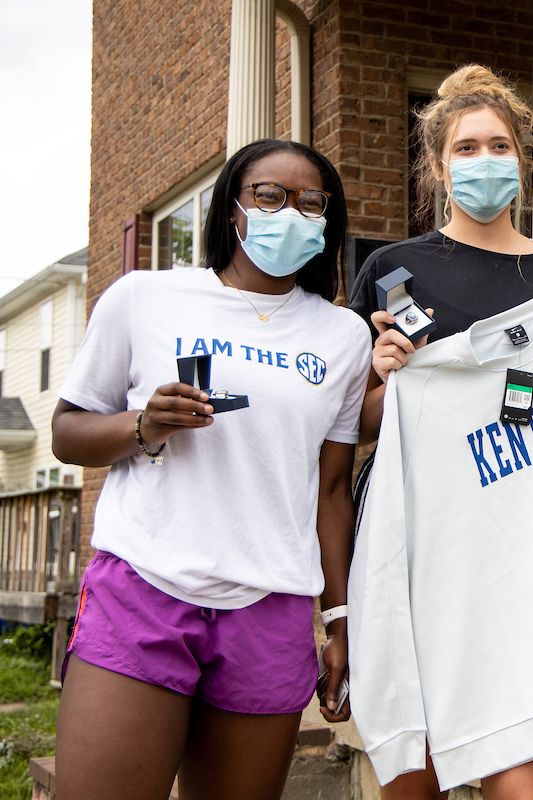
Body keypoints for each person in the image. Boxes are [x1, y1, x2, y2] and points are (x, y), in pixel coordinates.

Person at [51, 139, 370, 800]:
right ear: (232, 208)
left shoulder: (343, 337)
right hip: (145, 585)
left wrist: (340, 620)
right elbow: (67, 432)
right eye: (270, 196)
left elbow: (333, 489)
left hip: (271, 605)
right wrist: (143, 424)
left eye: (313, 204)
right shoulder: (144, 298)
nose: (292, 213)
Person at [347, 64, 533, 800]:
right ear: (437, 165)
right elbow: (359, 427)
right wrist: (385, 374)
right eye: (466, 148)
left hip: (532, 557)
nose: (485, 161)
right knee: (413, 783)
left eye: (500, 146)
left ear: (522, 162)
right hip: (424, 548)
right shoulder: (389, 270)